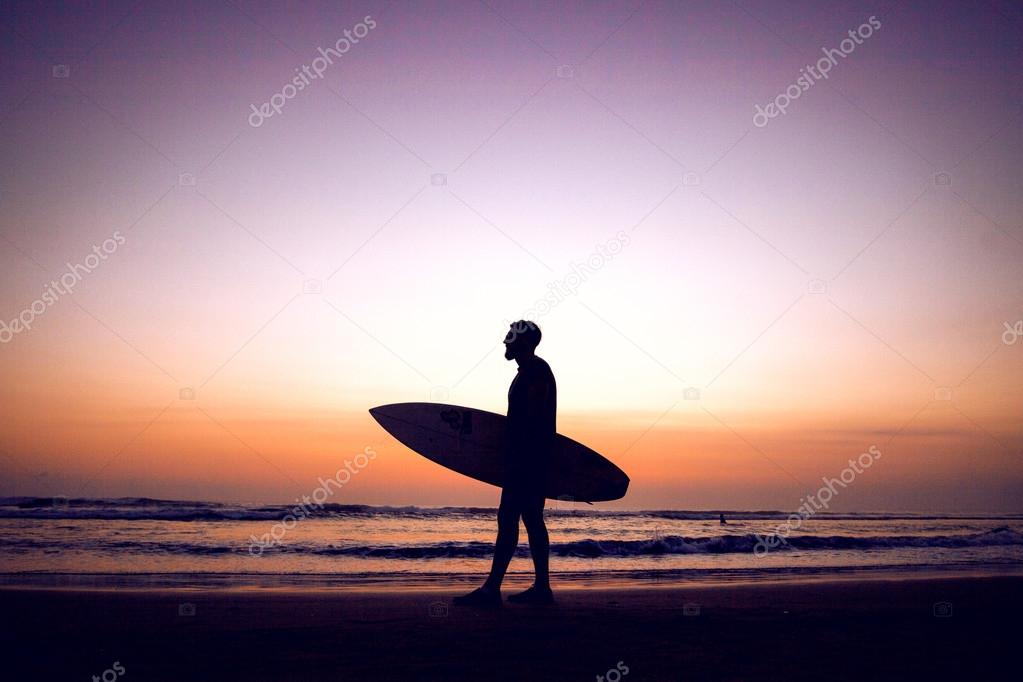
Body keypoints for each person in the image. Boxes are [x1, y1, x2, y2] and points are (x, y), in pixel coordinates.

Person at [454, 320, 557, 607]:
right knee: (526, 519)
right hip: (528, 460)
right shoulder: (528, 372)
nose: (505, 342)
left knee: (514, 519)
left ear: (524, 342)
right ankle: (539, 589)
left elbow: (531, 421)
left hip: (527, 461)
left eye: (510, 337)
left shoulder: (536, 372)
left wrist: (516, 458)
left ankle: (494, 590)